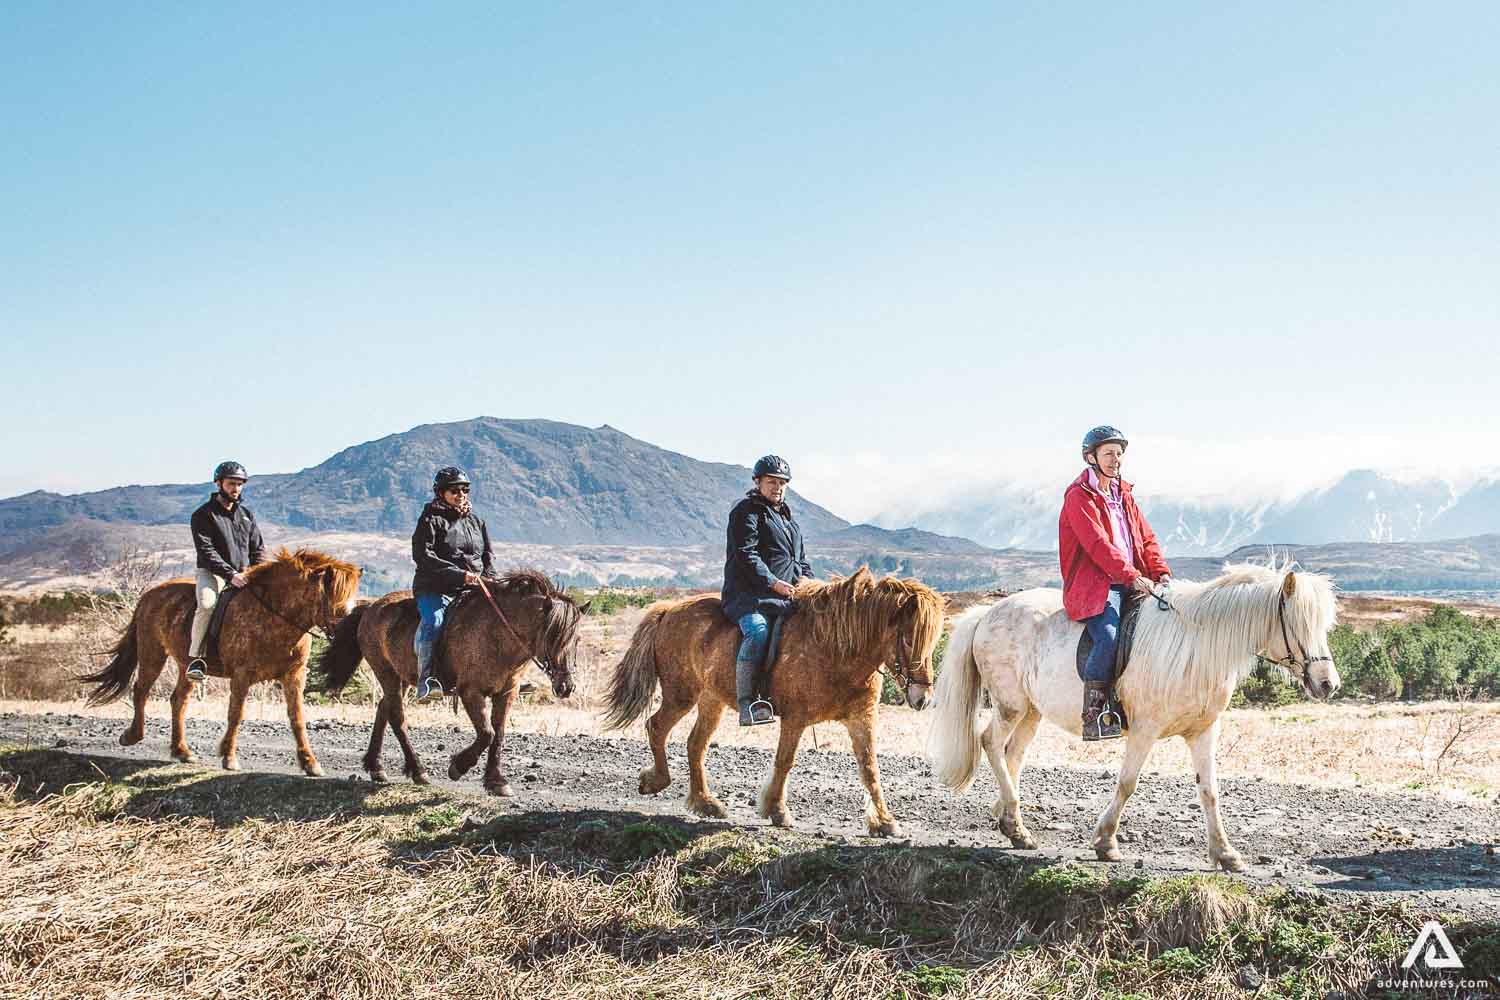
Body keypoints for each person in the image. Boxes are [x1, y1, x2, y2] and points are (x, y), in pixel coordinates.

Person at [1059, 426, 1172, 741]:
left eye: (1119, 453)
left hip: (1132, 581)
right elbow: (1097, 545)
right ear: (1091, 457)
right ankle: (1095, 714)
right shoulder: (1079, 496)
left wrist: (1160, 571)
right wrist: (1131, 575)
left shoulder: (1124, 495)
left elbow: (1146, 538)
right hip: (1096, 587)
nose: (1115, 459)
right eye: (1108, 453)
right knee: (1108, 638)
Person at [721, 455, 815, 726]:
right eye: (772, 482)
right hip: (749, 597)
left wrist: (810, 584)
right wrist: (774, 583)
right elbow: (746, 554)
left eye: (782, 483)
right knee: (758, 632)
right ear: (757, 482)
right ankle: (747, 703)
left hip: (784, 598)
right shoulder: (746, 512)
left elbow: (800, 561)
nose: (778, 487)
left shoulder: (789, 520)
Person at [411, 466, 494, 702]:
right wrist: (460, 576)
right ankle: (426, 681)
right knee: (434, 621)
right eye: (454, 491)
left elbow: (487, 555)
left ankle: (506, 675)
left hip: (473, 587)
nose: (461, 494)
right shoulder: (430, 519)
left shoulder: (476, 521)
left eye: (464, 490)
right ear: (441, 493)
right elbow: (423, 556)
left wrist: (491, 580)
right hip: (435, 587)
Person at [186, 461, 266, 681]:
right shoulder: (203, 515)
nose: (236, 488)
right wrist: (231, 575)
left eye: (240, 484)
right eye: (231, 483)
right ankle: (196, 659)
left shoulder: (247, 515)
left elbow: (258, 548)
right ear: (219, 483)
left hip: (245, 573)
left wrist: (257, 571)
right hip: (213, 573)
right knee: (207, 604)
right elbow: (206, 551)